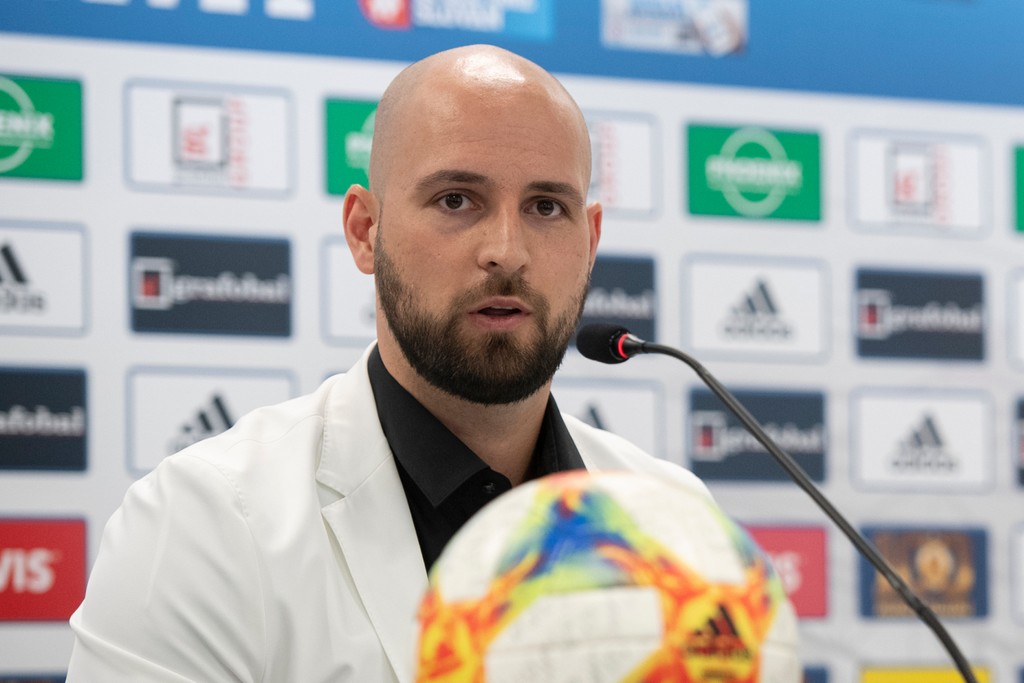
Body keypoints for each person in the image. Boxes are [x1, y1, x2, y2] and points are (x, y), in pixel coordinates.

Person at [66, 44, 715, 682]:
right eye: (456, 199)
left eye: (546, 207)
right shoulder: (204, 523)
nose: (507, 250)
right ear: (365, 231)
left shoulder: (678, 521)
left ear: (590, 241)